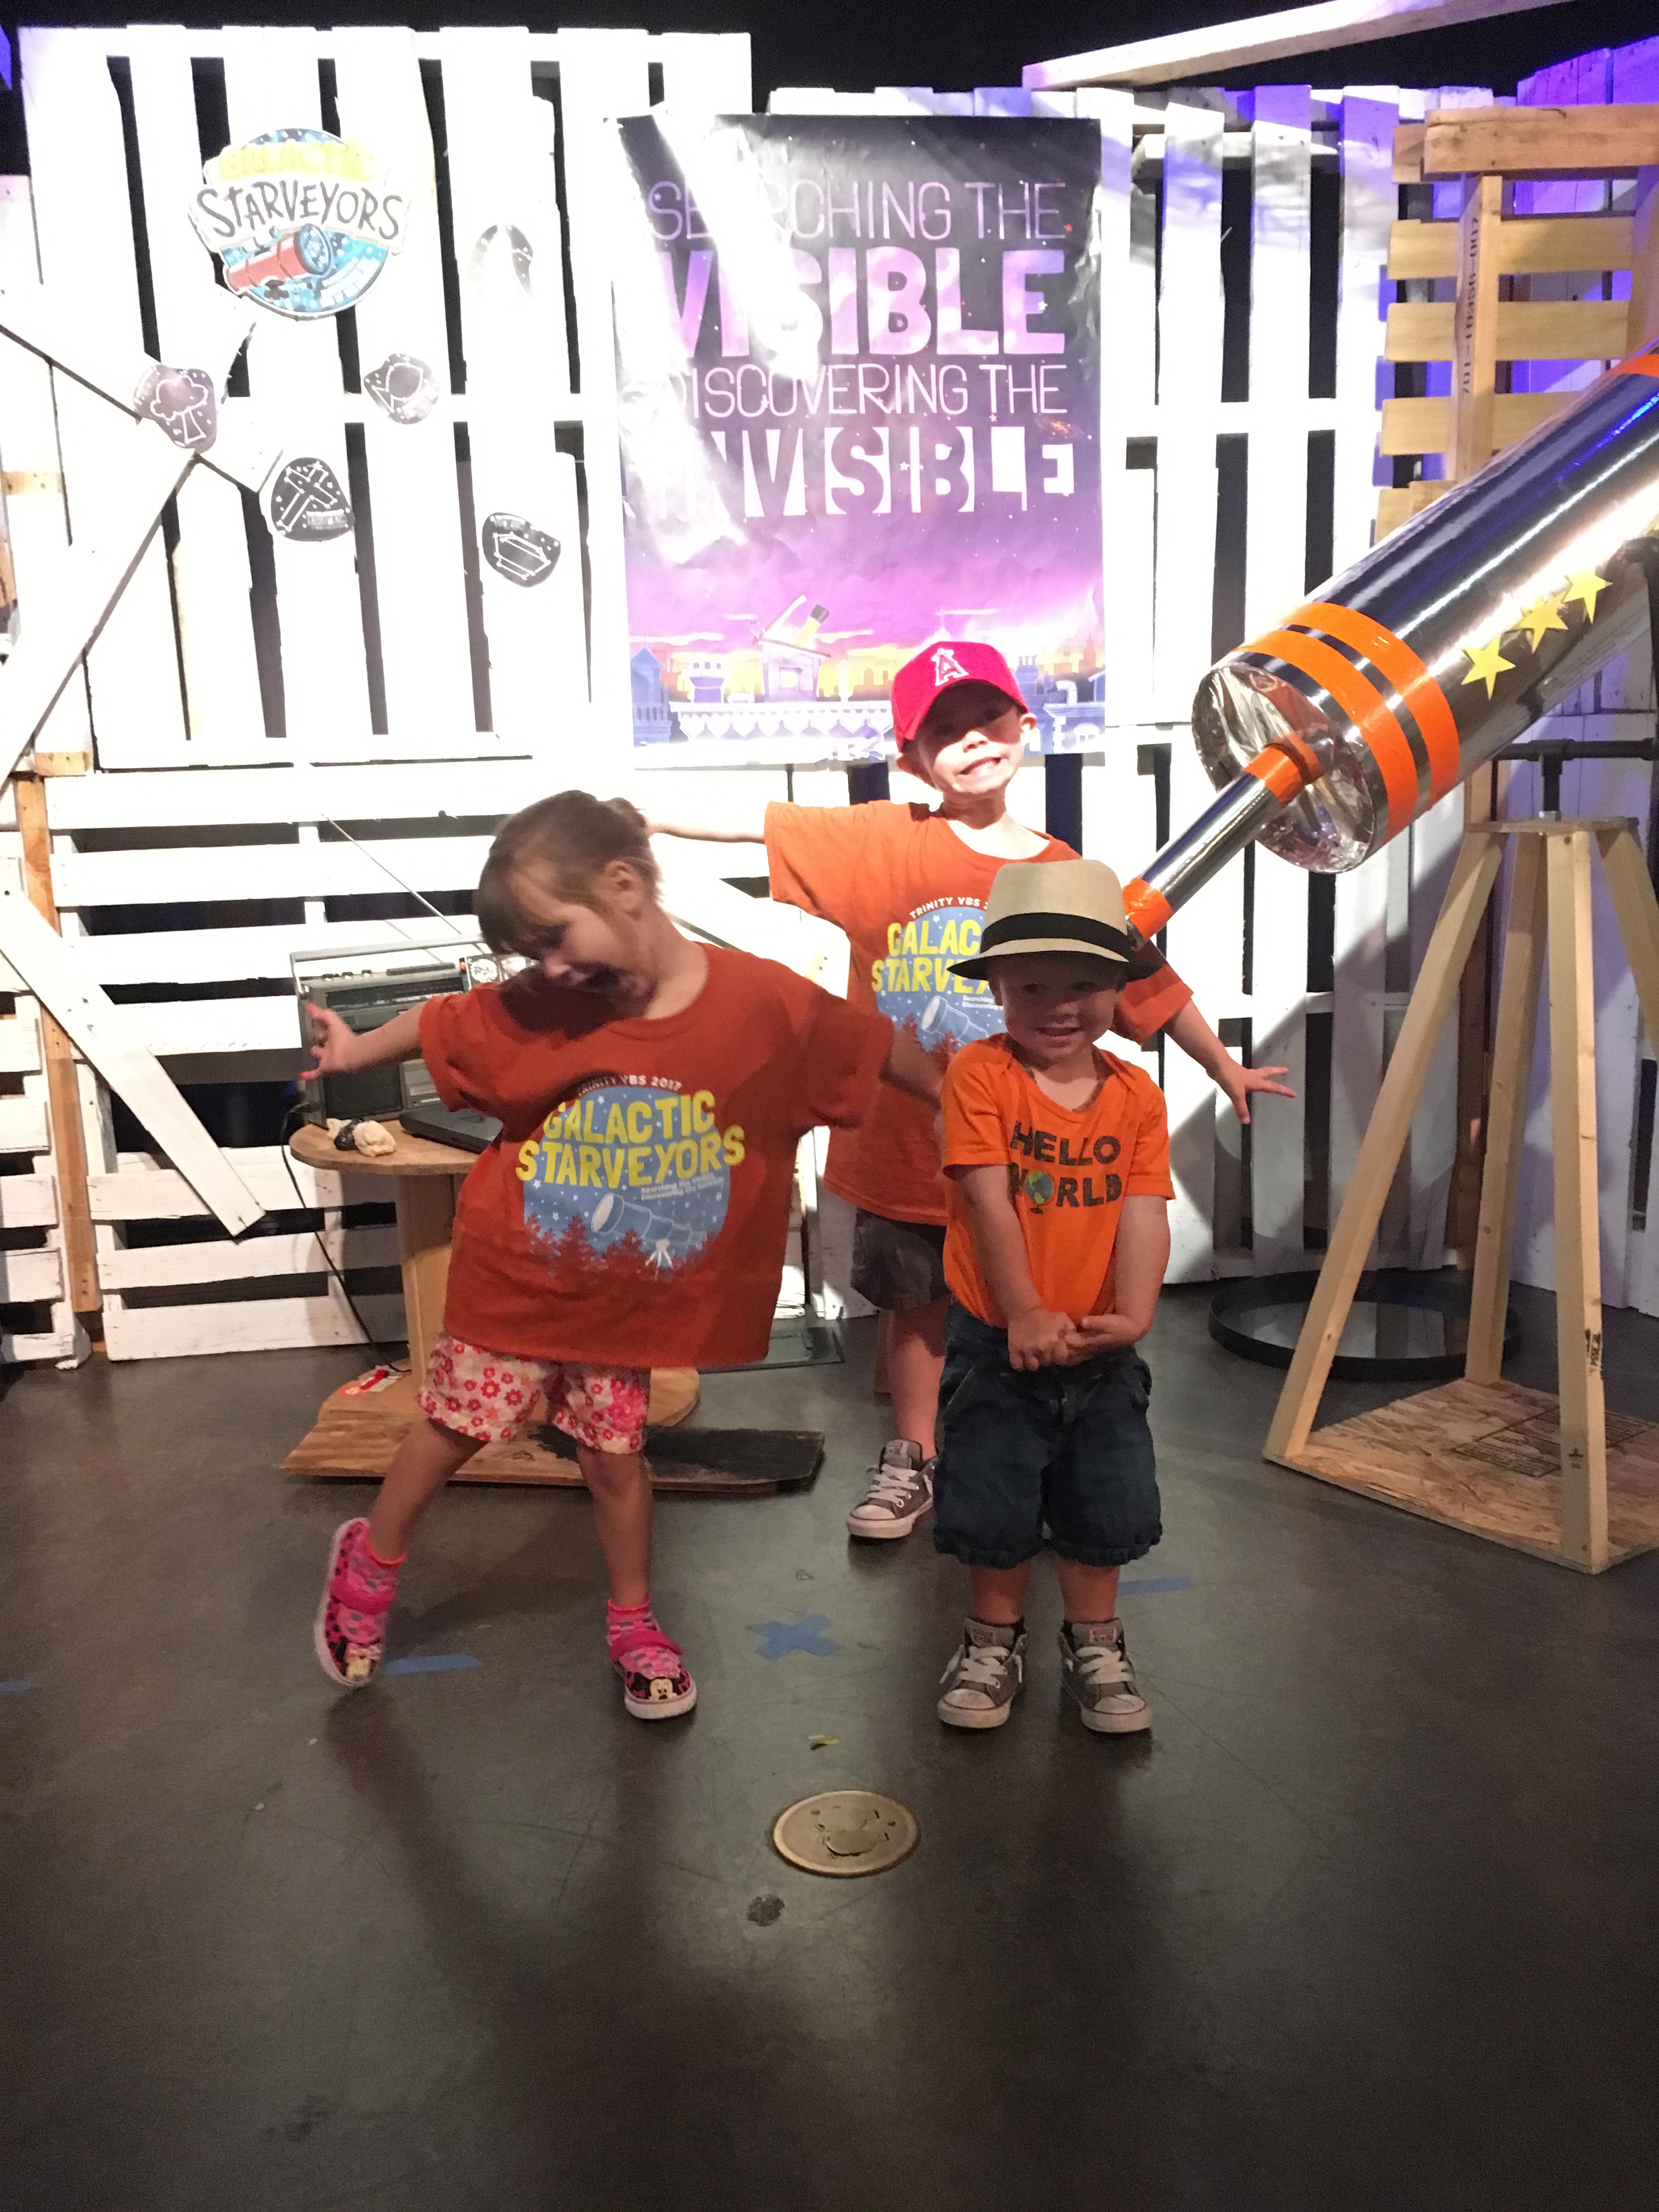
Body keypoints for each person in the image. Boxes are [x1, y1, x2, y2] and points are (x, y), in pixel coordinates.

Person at [303, 793, 938, 1720]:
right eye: (533, 953)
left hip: (623, 1302)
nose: (552, 966)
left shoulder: (759, 1000)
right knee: (455, 1429)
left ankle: (634, 1622)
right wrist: (356, 1046)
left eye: (556, 936)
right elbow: (446, 1020)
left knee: (614, 1458)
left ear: (625, 883)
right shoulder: (545, 1002)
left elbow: (870, 1046)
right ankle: (370, 1562)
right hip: (520, 1276)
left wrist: (962, 1101)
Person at [648, 640, 1288, 1544]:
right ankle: (913, 1455)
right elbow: (757, 824)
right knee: (917, 1304)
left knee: (1027, 1297)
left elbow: (1145, 979)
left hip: (1032, 1151)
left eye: (987, 717)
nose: (973, 740)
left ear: (1024, 724)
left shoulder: (1063, 873)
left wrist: (1221, 1063)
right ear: (914, 760)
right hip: (906, 1143)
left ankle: (1034, 1455)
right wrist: (636, 812)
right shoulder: (879, 839)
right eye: (944, 731)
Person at [930, 856, 1174, 1736]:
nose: (1060, 1006)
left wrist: (1136, 1314)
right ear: (997, 987)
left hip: (1101, 1351)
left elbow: (1145, 1210)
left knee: (1103, 1503)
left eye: (1083, 984)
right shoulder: (980, 1074)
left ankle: (1095, 1643)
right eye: (1033, 985)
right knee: (992, 1502)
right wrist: (1025, 1309)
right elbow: (987, 1198)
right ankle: (992, 1640)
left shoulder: (1137, 1095)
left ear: (1118, 986)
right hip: (998, 1345)